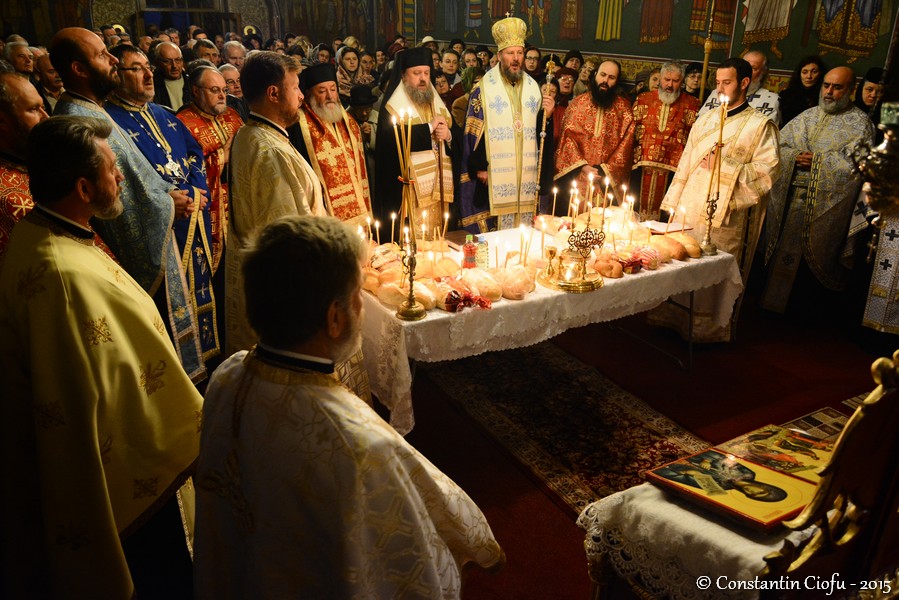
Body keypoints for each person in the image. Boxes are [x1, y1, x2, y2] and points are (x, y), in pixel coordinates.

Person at [193, 214, 505, 598]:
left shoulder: (227, 377)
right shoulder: (359, 444)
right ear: (334, 318)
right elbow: (417, 572)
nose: (362, 303)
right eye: (357, 291)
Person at [1, 115, 202, 599]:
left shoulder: (46, 233)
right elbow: (106, 391)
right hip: (126, 485)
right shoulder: (63, 276)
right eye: (113, 171)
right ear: (84, 188)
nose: (121, 180)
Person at [51, 26, 207, 381]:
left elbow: (133, 175)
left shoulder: (92, 110)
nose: (112, 60)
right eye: (101, 55)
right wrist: (166, 204)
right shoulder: (79, 119)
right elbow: (112, 194)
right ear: (78, 68)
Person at [105, 45, 220, 366]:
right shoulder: (109, 123)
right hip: (162, 229)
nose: (148, 75)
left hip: (192, 218)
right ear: (116, 74)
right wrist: (168, 200)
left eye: (148, 68)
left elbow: (195, 153)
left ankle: (208, 363)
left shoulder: (164, 115)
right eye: (136, 68)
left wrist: (196, 191)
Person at [654, 57, 779, 342]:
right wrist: (672, 204)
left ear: (744, 83)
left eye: (727, 82)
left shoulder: (760, 126)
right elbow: (686, 161)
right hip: (690, 207)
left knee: (710, 273)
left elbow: (768, 171)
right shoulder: (706, 118)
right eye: (718, 82)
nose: (720, 88)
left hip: (725, 215)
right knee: (681, 260)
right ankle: (670, 318)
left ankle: (705, 330)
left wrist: (726, 166)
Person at [226, 51, 326, 356]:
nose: (301, 96)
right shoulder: (272, 152)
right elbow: (289, 237)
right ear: (273, 93)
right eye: (295, 87)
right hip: (285, 294)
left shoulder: (248, 134)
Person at [762, 66, 873, 316]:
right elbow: (778, 146)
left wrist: (818, 161)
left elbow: (857, 166)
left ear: (851, 90)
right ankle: (770, 308)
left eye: (837, 87)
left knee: (808, 273)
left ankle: (801, 316)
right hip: (789, 200)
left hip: (824, 207)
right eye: (826, 85)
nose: (829, 92)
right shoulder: (807, 116)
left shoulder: (860, 124)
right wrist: (793, 157)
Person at [458, 17, 555, 232]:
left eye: (520, 53)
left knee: (524, 234)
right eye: (510, 53)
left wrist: (548, 115)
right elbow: (474, 132)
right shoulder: (483, 89)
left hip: (526, 177)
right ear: (500, 55)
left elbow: (540, 134)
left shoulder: (533, 88)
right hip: (494, 174)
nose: (516, 58)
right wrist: (479, 166)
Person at [375, 46, 453, 234]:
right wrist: (428, 128)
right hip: (410, 192)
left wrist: (449, 136)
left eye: (426, 73)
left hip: (438, 190)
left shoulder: (436, 102)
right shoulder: (392, 107)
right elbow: (391, 142)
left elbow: (454, 138)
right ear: (403, 76)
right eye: (416, 73)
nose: (423, 78)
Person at [178, 65, 243, 281]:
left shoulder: (233, 116)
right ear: (196, 91)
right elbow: (185, 171)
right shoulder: (183, 123)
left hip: (238, 205)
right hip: (211, 209)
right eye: (215, 90)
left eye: (224, 90)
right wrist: (222, 156)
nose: (222, 96)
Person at [288, 62, 372, 227]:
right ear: (309, 94)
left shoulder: (348, 121)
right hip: (323, 209)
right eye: (322, 91)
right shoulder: (298, 125)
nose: (329, 96)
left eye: (333, 89)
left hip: (359, 208)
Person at [554, 59, 634, 205]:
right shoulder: (578, 103)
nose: (605, 81)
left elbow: (626, 146)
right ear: (595, 74)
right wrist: (583, 166)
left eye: (611, 77)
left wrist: (604, 170)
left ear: (616, 81)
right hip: (577, 175)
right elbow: (567, 138)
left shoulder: (624, 110)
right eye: (602, 75)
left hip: (606, 180)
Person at [632, 61, 700, 218]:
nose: (670, 85)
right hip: (641, 166)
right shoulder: (643, 99)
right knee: (635, 212)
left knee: (666, 216)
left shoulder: (692, 104)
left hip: (674, 170)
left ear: (682, 82)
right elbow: (631, 131)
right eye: (666, 79)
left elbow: (695, 137)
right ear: (660, 78)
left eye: (675, 81)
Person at [0, 71, 49, 265]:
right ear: (2, 121)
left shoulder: (35, 157)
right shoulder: (6, 198)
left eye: (43, 107)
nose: (46, 117)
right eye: (33, 109)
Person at [697, 50, 781, 126]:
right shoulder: (717, 93)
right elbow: (700, 122)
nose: (746, 72)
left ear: (763, 72)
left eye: (753, 68)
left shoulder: (771, 100)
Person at [778, 56, 827, 127]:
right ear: (799, 74)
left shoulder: (826, 96)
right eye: (805, 72)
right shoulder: (786, 95)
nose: (809, 76)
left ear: (820, 74)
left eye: (814, 72)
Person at [153, 41, 192, 111]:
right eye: (167, 61)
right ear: (157, 63)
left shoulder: (192, 83)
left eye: (178, 60)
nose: (174, 66)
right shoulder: (151, 85)